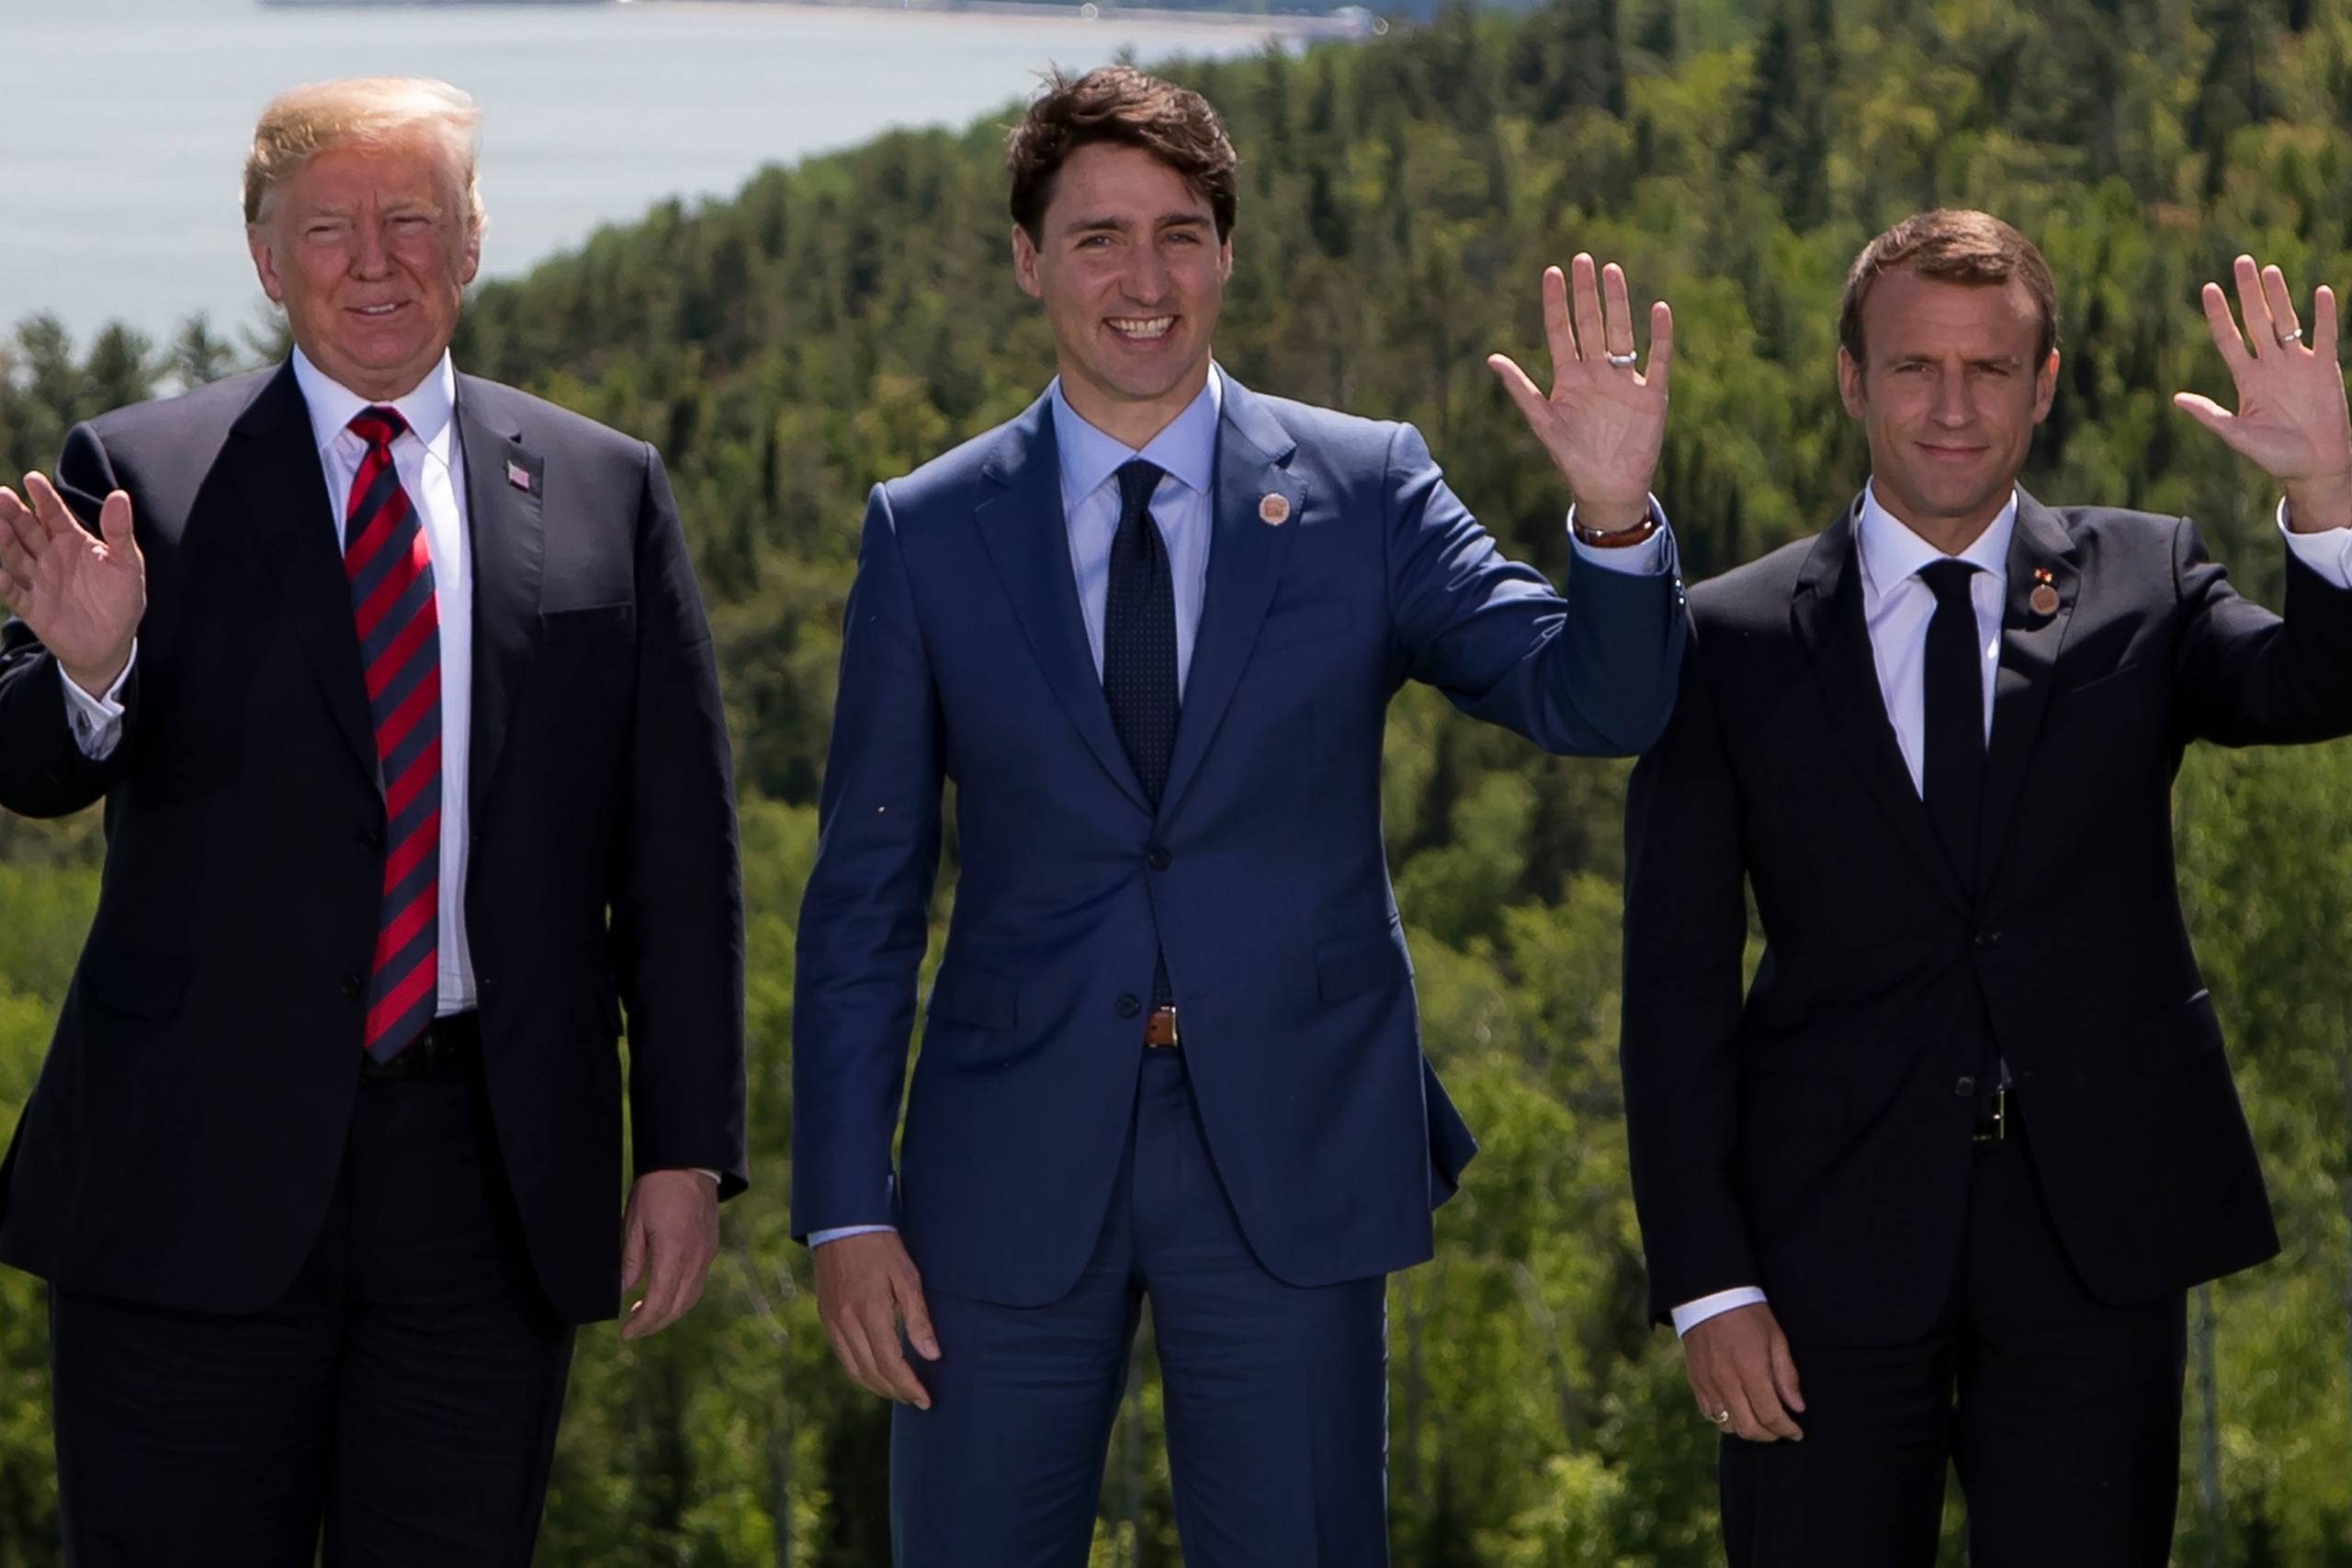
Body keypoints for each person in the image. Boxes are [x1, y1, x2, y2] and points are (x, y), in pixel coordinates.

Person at [792, 64, 1686, 1566]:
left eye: (1182, 233)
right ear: (1028, 261)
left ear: (1227, 252)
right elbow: (864, 896)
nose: (1144, 280)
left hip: (1295, 1152)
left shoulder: (1367, 486)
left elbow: (1593, 704)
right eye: (1097, 238)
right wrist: (841, 1208)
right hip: (998, 1175)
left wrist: (1611, 520)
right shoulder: (928, 530)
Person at [0, 76, 746, 1566]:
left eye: (414, 219)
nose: (375, 260)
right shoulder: (142, 474)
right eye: (328, 228)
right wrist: (91, 669)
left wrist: (682, 1150)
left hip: (488, 1188)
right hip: (188, 1192)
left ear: (472, 242)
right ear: (267, 260)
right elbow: (34, 766)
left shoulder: (605, 490)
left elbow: (678, 855)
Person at [1621, 208, 2352, 1565]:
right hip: (1816, 1256)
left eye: (1991, 370)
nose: (1952, 408)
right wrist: (1707, 1284)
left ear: (2046, 384)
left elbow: (2320, 685)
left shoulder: (2150, 579)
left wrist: (2325, 500)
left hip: (2096, 1241)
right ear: (1853, 379)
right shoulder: (1722, 641)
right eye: (1914, 368)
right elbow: (1671, 996)